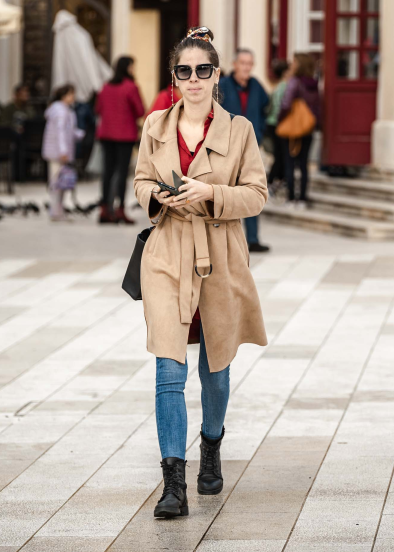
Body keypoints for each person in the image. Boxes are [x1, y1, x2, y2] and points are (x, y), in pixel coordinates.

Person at [133, 26, 269, 520]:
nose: (193, 79)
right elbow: (140, 180)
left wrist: (211, 193)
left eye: (203, 70)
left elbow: (257, 195)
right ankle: (173, 482)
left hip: (220, 255)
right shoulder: (155, 125)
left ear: (216, 76)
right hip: (167, 254)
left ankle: (211, 445)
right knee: (169, 366)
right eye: (184, 71)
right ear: (174, 77)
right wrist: (155, 195)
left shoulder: (240, 130)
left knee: (215, 367)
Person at [218, 48, 271, 253]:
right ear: (235, 64)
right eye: (243, 63)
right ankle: (224, 240)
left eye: (250, 64)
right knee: (226, 192)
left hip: (251, 148)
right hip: (226, 148)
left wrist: (260, 130)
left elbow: (266, 109)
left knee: (251, 190)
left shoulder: (256, 86)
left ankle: (253, 239)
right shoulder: (222, 85)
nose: (246, 68)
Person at [95, 56, 145, 225]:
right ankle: (120, 209)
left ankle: (104, 209)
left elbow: (98, 109)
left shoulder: (106, 86)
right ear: (127, 68)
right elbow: (140, 110)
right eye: (132, 66)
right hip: (125, 135)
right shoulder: (131, 87)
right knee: (122, 173)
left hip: (106, 134)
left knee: (107, 172)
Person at [279, 53, 321, 205]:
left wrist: (280, 119)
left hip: (293, 127)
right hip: (308, 127)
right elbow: (318, 107)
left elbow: (286, 104)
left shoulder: (294, 82)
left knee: (289, 163)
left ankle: (291, 197)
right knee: (304, 164)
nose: (291, 65)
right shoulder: (314, 84)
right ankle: (302, 198)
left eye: (294, 62)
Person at [42, 84, 83, 221]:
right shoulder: (60, 111)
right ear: (64, 96)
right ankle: (55, 212)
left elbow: (69, 131)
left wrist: (80, 134)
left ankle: (58, 210)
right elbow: (60, 133)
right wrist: (63, 151)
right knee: (56, 183)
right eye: (71, 94)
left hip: (58, 151)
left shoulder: (65, 110)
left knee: (61, 182)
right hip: (57, 153)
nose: (73, 97)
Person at [265, 59, 292, 192]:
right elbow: (280, 108)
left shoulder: (278, 86)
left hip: (272, 123)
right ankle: (271, 181)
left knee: (279, 154)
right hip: (277, 123)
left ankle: (276, 179)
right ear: (285, 72)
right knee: (280, 154)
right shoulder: (284, 87)